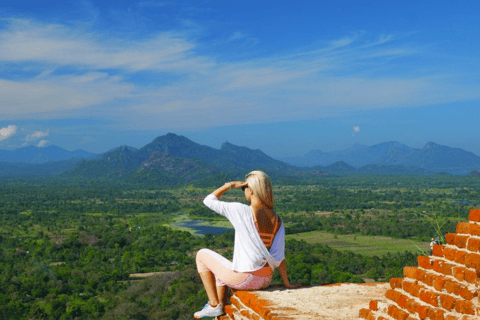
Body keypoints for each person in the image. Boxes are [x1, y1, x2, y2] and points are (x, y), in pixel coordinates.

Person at [193, 170, 297, 319]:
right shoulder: (277, 220)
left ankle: (214, 304)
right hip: (266, 279)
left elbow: (208, 200)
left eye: (244, 188)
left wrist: (229, 185)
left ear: (251, 190)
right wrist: (287, 283)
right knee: (223, 269)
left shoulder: (240, 211)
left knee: (201, 255)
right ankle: (220, 310)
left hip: (246, 280)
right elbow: (279, 256)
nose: (243, 191)